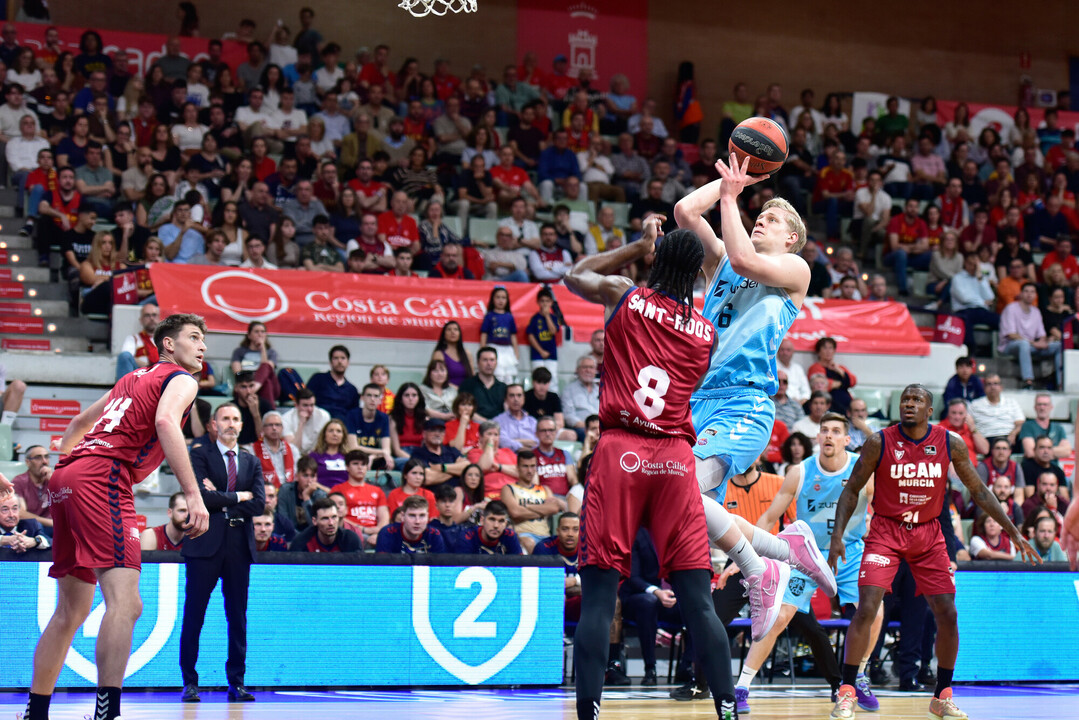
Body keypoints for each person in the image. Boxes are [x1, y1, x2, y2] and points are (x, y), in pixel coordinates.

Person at [564, 214, 751, 719]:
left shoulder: (625, 296)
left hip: (620, 451)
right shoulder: (706, 334)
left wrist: (638, 244)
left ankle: (589, 712)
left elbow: (574, 274)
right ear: (694, 273)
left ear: (656, 260)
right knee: (698, 601)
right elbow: (690, 379)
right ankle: (727, 709)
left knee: (599, 597)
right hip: (674, 458)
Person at [674, 155, 837, 643]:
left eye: (773, 218)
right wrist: (730, 183)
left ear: (791, 237)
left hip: (744, 402)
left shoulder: (794, 269)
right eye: (758, 214)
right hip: (697, 402)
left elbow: (746, 260)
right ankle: (787, 551)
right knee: (683, 509)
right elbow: (684, 212)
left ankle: (760, 569)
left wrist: (730, 198)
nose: (761, 218)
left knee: (684, 491)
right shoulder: (722, 262)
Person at [17, 314, 211, 720]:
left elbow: (77, 424)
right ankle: (107, 714)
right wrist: (193, 495)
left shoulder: (131, 379)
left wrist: (66, 467)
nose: (203, 346)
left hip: (67, 475)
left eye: (203, 339)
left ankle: (35, 713)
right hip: (102, 476)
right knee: (127, 603)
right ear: (169, 345)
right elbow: (165, 422)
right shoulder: (181, 379)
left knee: (71, 611)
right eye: (194, 337)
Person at [827, 384, 1039, 720]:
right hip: (886, 530)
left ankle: (942, 694)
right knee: (867, 607)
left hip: (928, 534)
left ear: (929, 411)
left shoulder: (949, 442)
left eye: (917, 400)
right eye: (905, 400)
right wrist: (837, 536)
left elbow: (979, 490)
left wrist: (1013, 531)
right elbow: (852, 490)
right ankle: (847, 691)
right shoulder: (879, 442)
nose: (909, 404)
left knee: (948, 613)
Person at [737, 414, 881, 714]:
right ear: (817, 437)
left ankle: (859, 675)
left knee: (875, 611)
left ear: (847, 440)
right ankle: (742, 686)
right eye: (824, 430)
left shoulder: (863, 469)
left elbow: (882, 511)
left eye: (836, 431)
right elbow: (769, 517)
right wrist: (745, 554)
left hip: (850, 553)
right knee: (778, 617)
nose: (828, 435)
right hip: (806, 554)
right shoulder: (800, 472)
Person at [179, 402, 265, 704]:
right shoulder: (199, 454)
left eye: (235, 419)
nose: (231, 423)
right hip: (204, 544)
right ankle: (190, 683)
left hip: (239, 547)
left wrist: (222, 499)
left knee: (237, 617)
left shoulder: (251, 461)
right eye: (225, 418)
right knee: (194, 615)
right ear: (214, 424)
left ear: (241, 425)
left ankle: (237, 683)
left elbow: (259, 504)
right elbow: (201, 497)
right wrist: (239, 496)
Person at [999, 282, 1062, 389]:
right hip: (1010, 345)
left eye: (1032, 292)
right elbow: (1011, 335)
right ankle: (1028, 381)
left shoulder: (1036, 311)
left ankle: (1060, 383)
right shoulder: (1011, 308)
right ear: (1021, 294)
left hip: (1032, 346)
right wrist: (1033, 343)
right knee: (1024, 344)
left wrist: (1043, 341)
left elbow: (1042, 334)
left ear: (1035, 295)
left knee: (1059, 345)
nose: (1029, 294)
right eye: (1026, 291)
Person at [329, 450, 388, 547]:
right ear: (347, 467)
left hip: (374, 533)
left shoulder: (377, 491)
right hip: (350, 532)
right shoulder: (338, 489)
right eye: (355, 464)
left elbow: (384, 516)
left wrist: (379, 533)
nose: (360, 467)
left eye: (363, 464)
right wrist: (363, 529)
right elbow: (336, 516)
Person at [345, 383, 394, 470]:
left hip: (375, 458)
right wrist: (381, 452)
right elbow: (353, 447)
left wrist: (372, 456)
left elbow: (387, 450)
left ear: (380, 400)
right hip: (355, 457)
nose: (372, 399)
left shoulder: (384, 418)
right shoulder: (352, 415)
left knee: (389, 463)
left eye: (376, 396)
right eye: (369, 395)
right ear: (362, 398)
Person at [376, 494, 446, 554]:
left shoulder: (434, 534)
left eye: (422, 515)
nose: (417, 521)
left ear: (427, 517)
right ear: (403, 516)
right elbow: (383, 565)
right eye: (412, 515)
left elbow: (440, 565)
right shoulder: (388, 533)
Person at [305, 345, 360, 421]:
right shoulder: (318, 379)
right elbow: (305, 400)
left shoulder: (352, 390)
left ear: (348, 363)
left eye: (343, 358)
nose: (339, 361)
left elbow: (354, 415)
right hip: (318, 421)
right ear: (330, 362)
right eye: (336, 358)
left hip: (341, 425)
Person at [289, 497, 363, 552]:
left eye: (334, 517)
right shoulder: (301, 542)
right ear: (314, 521)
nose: (331, 523)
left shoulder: (350, 539)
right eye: (325, 518)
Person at [968, 374, 1024, 446]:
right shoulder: (975, 405)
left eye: (995, 383)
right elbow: (968, 424)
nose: (992, 387)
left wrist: (1014, 433)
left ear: (1001, 387)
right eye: (989, 384)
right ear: (984, 388)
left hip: (1009, 438)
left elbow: (1020, 423)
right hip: (986, 440)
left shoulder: (1012, 402)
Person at [807, 337, 857, 415]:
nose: (828, 351)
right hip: (831, 405)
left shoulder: (839, 367)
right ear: (819, 352)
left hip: (848, 404)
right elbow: (824, 385)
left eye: (831, 348)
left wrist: (839, 370)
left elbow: (853, 381)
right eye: (825, 348)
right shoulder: (815, 367)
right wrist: (843, 383)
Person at [480, 285, 519, 384]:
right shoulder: (489, 316)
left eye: (503, 298)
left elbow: (513, 336)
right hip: (493, 348)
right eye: (498, 297)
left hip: (507, 349)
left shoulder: (509, 317)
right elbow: (484, 334)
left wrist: (516, 352)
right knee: (497, 374)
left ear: (507, 300)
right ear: (493, 299)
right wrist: (483, 350)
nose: (500, 300)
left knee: (509, 376)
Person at [458, 347, 508, 423]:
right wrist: (488, 423)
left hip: (500, 426)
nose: (489, 364)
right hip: (474, 424)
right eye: (485, 360)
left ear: (496, 363)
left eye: (492, 360)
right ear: (478, 363)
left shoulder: (503, 388)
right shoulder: (467, 385)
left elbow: (507, 412)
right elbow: (464, 410)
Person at [454, 500, 523, 554]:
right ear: (482, 520)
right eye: (492, 519)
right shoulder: (467, 537)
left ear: (506, 524)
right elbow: (462, 567)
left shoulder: (510, 536)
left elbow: (520, 565)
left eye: (501, 521)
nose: (496, 526)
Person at [252, 411, 299, 488]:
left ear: (282, 428)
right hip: (265, 491)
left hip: (290, 491)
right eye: (270, 425)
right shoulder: (253, 450)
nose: (274, 428)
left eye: (277, 425)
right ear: (263, 428)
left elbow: (298, 475)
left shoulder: (293, 450)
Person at [115, 303, 160, 381]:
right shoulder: (133, 339)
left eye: (154, 315)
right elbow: (127, 358)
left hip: (161, 377)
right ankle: (125, 388)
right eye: (147, 315)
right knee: (124, 356)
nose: (151, 318)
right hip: (140, 377)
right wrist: (149, 367)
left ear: (159, 318)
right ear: (141, 320)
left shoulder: (166, 340)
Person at [1019, 394, 1071, 460]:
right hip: (1034, 465)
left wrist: (1041, 450)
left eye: (1045, 404)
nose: (1042, 408)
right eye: (1039, 404)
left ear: (1051, 407)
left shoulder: (1058, 428)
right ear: (1035, 407)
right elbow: (1030, 453)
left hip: (1053, 466)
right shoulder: (1027, 426)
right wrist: (1055, 452)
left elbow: (1067, 452)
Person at [281, 388, 332, 455]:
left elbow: (326, 444)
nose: (309, 409)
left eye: (312, 405)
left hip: (317, 455)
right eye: (305, 405)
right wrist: (301, 423)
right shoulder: (286, 419)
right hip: (296, 456)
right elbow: (293, 450)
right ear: (296, 405)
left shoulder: (323, 416)